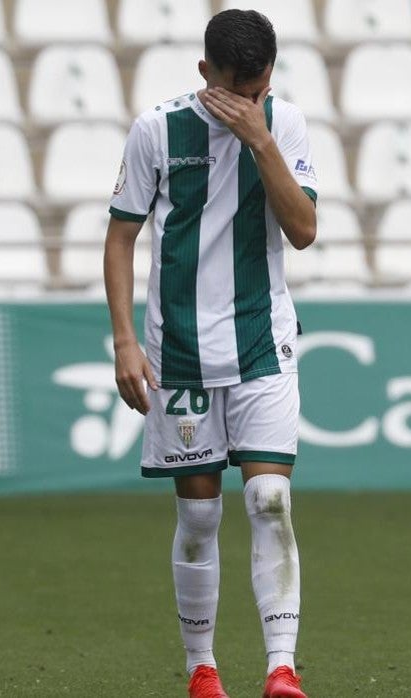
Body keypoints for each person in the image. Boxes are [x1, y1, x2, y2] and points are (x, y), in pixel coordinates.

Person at [103, 10, 316, 698]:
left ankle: (281, 667)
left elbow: (304, 230)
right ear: (205, 74)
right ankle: (203, 668)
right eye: (235, 91)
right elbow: (120, 238)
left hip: (263, 341)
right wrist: (125, 340)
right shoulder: (157, 130)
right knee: (198, 516)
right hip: (182, 352)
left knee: (269, 500)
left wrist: (260, 140)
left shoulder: (285, 124)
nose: (248, 103)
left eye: (258, 90)